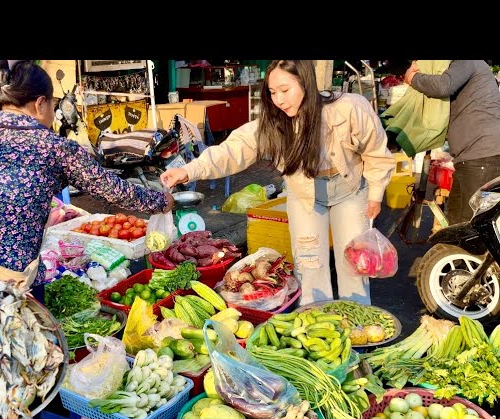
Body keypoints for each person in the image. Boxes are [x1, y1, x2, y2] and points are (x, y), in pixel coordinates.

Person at [0, 59, 173, 298]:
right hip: (3, 285)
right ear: (40, 103)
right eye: (53, 104)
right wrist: (161, 201)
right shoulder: (52, 147)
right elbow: (111, 189)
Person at [161, 60, 395, 306]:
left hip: (349, 190)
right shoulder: (274, 123)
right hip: (304, 194)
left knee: (354, 263)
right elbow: (233, 150)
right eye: (273, 93)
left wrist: (376, 194)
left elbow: (377, 152)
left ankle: (359, 328)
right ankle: (316, 329)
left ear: (306, 83)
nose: (279, 100)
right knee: (309, 263)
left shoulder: (350, 108)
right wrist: (188, 171)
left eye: (285, 90)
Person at [404, 60, 500, 224]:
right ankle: (457, 249)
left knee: (473, 223)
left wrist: (413, 77)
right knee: (458, 221)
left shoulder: (467, 61)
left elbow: (443, 86)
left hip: (482, 156)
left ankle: (470, 250)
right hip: (471, 157)